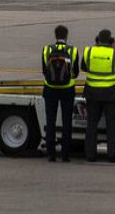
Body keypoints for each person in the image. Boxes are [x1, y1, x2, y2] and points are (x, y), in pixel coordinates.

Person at [81, 28, 115, 162]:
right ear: (111, 40)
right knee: (112, 125)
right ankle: (112, 155)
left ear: (97, 39)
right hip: (110, 94)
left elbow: (83, 67)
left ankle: (90, 155)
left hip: (92, 93)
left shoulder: (89, 51)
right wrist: (114, 48)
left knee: (91, 125)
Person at [41, 25, 79, 162]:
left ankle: (51, 154)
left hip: (50, 89)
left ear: (55, 35)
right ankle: (65, 154)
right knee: (66, 122)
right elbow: (75, 72)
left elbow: (44, 71)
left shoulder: (47, 49)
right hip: (67, 90)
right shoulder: (73, 50)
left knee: (50, 121)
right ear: (67, 35)